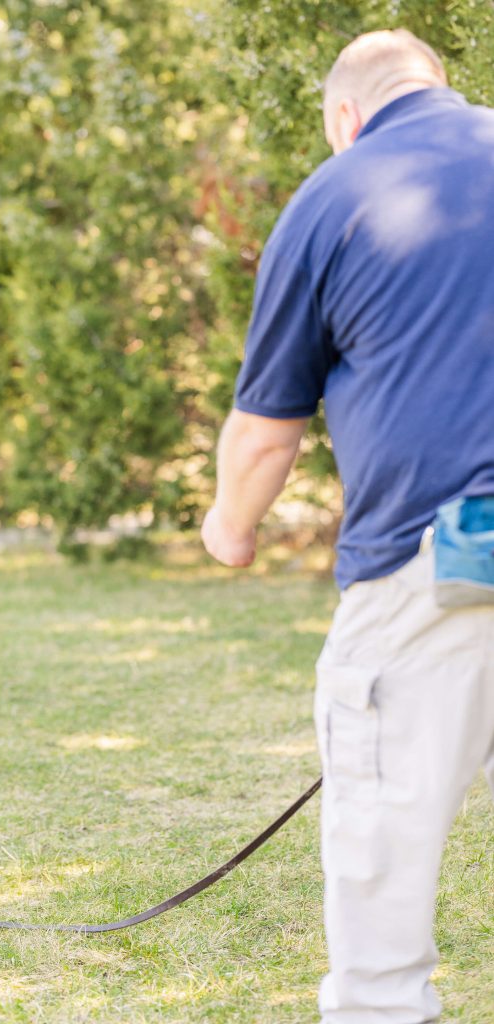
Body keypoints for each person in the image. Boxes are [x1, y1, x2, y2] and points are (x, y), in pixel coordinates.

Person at [201, 29, 494, 1024]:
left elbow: (263, 432)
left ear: (343, 116)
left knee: (379, 861)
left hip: (437, 563)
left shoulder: (336, 193)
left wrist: (228, 530)